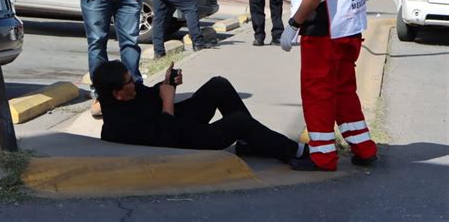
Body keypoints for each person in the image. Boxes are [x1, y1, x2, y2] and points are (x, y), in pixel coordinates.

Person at [280, 0, 378, 171]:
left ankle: (322, 155)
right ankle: (364, 147)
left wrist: (293, 24)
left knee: (318, 92)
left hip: (325, 30)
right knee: (344, 89)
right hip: (350, 27)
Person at [92, 60, 308, 164]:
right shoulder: (118, 126)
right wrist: (168, 100)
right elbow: (166, 140)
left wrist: (168, 83)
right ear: (117, 93)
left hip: (179, 121)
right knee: (238, 122)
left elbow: (152, 95)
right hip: (183, 141)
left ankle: (248, 143)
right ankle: (296, 152)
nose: (135, 83)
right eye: (130, 81)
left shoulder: (130, 92)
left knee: (218, 85)